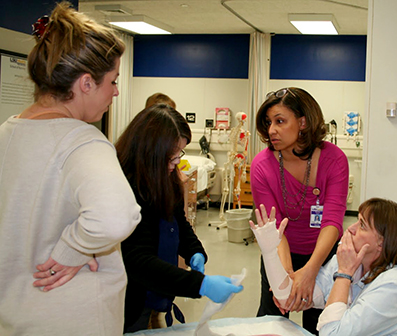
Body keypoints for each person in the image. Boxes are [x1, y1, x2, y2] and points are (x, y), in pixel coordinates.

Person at [0, 2, 141, 335]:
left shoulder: (6, 133)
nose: (116, 92)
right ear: (86, 83)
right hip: (72, 316)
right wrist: (74, 248)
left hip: (13, 314)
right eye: (113, 81)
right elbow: (116, 217)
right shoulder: (83, 141)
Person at [116, 104, 243, 333]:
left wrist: (194, 250)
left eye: (179, 155)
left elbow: (178, 221)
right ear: (150, 151)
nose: (176, 163)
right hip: (130, 296)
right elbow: (138, 259)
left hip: (158, 287)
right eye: (171, 156)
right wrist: (200, 285)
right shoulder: (126, 188)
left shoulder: (165, 176)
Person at [250, 199, 397, 336]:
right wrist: (270, 252)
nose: (351, 229)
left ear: (382, 243)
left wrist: (344, 274)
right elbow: (289, 299)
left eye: (362, 225)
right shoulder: (356, 262)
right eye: (356, 220)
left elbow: (331, 334)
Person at [251, 87, 349, 333]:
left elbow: (332, 222)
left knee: (321, 326)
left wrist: (310, 271)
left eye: (280, 121)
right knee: (270, 323)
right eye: (268, 122)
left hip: (324, 257)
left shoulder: (334, 160)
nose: (271, 129)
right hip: (279, 252)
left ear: (303, 122)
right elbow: (275, 227)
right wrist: (282, 274)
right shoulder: (261, 166)